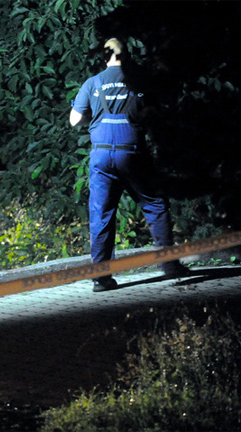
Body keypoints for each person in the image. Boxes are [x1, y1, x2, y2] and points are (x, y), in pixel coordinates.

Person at [69, 38, 189, 292]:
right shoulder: (140, 82)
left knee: (101, 214)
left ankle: (101, 278)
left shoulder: (92, 83)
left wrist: (94, 113)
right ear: (129, 56)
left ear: (104, 57)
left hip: (101, 156)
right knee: (155, 203)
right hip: (132, 152)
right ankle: (169, 265)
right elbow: (156, 117)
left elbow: (74, 120)